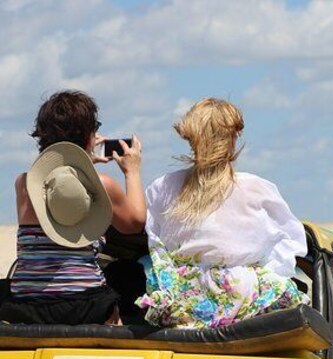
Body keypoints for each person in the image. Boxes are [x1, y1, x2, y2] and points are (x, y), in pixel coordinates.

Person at [137, 98, 307, 328]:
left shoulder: (162, 187)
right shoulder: (257, 188)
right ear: (234, 137)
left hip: (182, 298)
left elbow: (156, 244)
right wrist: (264, 275)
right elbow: (290, 241)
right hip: (244, 293)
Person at [0, 90, 145, 325]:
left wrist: (82, 160)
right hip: (85, 304)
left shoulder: (24, 185)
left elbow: (62, 189)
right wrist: (132, 171)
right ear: (89, 136)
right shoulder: (103, 186)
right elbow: (135, 223)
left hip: (26, 305)